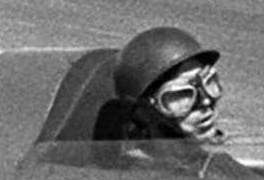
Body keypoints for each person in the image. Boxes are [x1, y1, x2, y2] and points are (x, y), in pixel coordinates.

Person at [93, 25, 224, 146]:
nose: (205, 101)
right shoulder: (123, 164)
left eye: (209, 83)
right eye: (181, 95)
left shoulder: (222, 161)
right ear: (143, 112)